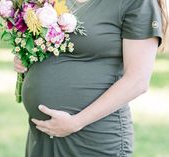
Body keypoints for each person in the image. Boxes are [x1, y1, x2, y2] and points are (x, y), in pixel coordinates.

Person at [13, 0, 168, 156]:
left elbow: (137, 81)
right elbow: (52, 45)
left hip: (94, 136)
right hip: (42, 135)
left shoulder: (138, 3)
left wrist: (75, 122)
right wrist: (28, 54)